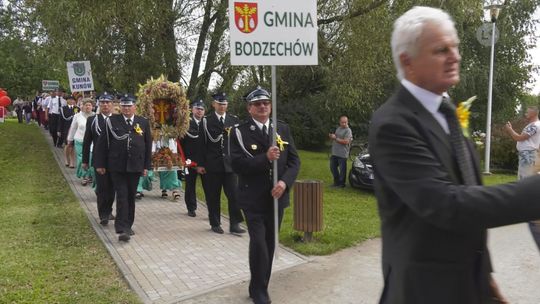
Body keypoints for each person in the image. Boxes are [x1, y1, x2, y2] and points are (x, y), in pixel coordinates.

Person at [368, 6, 540, 304]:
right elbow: (448, 205)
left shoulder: (447, 111)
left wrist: (484, 277)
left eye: (455, 47)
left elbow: (470, 189)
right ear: (408, 62)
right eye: (441, 50)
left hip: (465, 284)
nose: (455, 57)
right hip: (423, 292)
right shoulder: (393, 124)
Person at [230, 87, 300, 304]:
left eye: (266, 103)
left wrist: (284, 182)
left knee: (269, 243)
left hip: (277, 197)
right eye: (257, 104)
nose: (263, 107)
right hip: (253, 198)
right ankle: (260, 292)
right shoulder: (239, 132)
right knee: (259, 243)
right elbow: (236, 164)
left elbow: (294, 162)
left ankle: (259, 285)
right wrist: (265, 158)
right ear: (249, 108)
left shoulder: (281, 129)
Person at [94, 94, 152, 242]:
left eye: (129, 105)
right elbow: (102, 144)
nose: (126, 108)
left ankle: (128, 224)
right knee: (122, 195)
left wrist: (146, 166)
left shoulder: (143, 122)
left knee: (131, 196)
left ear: (135, 107)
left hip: (135, 166)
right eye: (124, 106)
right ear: (120, 107)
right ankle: (121, 228)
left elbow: (147, 146)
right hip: (117, 166)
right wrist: (100, 164)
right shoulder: (112, 121)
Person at [196, 92, 245, 234]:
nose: (222, 106)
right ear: (214, 105)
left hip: (230, 165)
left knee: (234, 195)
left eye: (224, 104)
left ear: (227, 105)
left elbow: (239, 143)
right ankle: (215, 222)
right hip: (213, 164)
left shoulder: (234, 120)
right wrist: (200, 164)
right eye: (219, 103)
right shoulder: (206, 121)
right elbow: (201, 144)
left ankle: (234, 224)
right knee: (213, 195)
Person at [505, 106, 540, 249]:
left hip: (528, 155)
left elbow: (519, 137)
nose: (525, 113)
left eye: (527, 111)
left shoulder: (535, 125)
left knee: (525, 183)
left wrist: (509, 129)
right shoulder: (534, 125)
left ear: (534, 112)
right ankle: (527, 212)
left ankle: (530, 214)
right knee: (524, 182)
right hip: (528, 155)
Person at [82, 93, 116, 225]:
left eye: (108, 103)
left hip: (115, 159)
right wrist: (85, 160)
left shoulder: (117, 119)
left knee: (112, 187)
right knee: (102, 188)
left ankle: (109, 210)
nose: (105, 105)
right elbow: (86, 141)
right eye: (103, 103)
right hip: (99, 159)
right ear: (99, 105)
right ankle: (103, 214)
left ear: (112, 105)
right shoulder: (93, 120)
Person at [180, 99, 205, 217]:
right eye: (197, 108)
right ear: (192, 110)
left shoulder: (206, 123)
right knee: (190, 185)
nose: (199, 111)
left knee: (209, 186)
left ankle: (211, 208)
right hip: (190, 160)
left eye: (201, 109)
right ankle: (191, 207)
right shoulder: (186, 124)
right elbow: (181, 143)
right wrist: (184, 159)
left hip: (205, 161)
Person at [329, 115, 353, 187]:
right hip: (335, 152)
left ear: (347, 122)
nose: (344, 124)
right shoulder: (338, 128)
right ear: (340, 122)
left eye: (345, 122)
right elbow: (336, 138)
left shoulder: (348, 130)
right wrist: (332, 137)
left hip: (342, 154)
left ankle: (342, 184)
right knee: (332, 167)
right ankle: (336, 182)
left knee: (342, 170)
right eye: (342, 122)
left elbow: (346, 142)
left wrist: (335, 138)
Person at [59, 95, 80, 168]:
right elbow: (60, 120)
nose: (71, 101)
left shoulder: (77, 109)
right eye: (70, 99)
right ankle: (66, 159)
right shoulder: (63, 109)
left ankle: (72, 161)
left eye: (73, 100)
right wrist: (59, 130)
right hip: (66, 129)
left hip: (75, 129)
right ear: (67, 100)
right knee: (67, 144)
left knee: (72, 145)